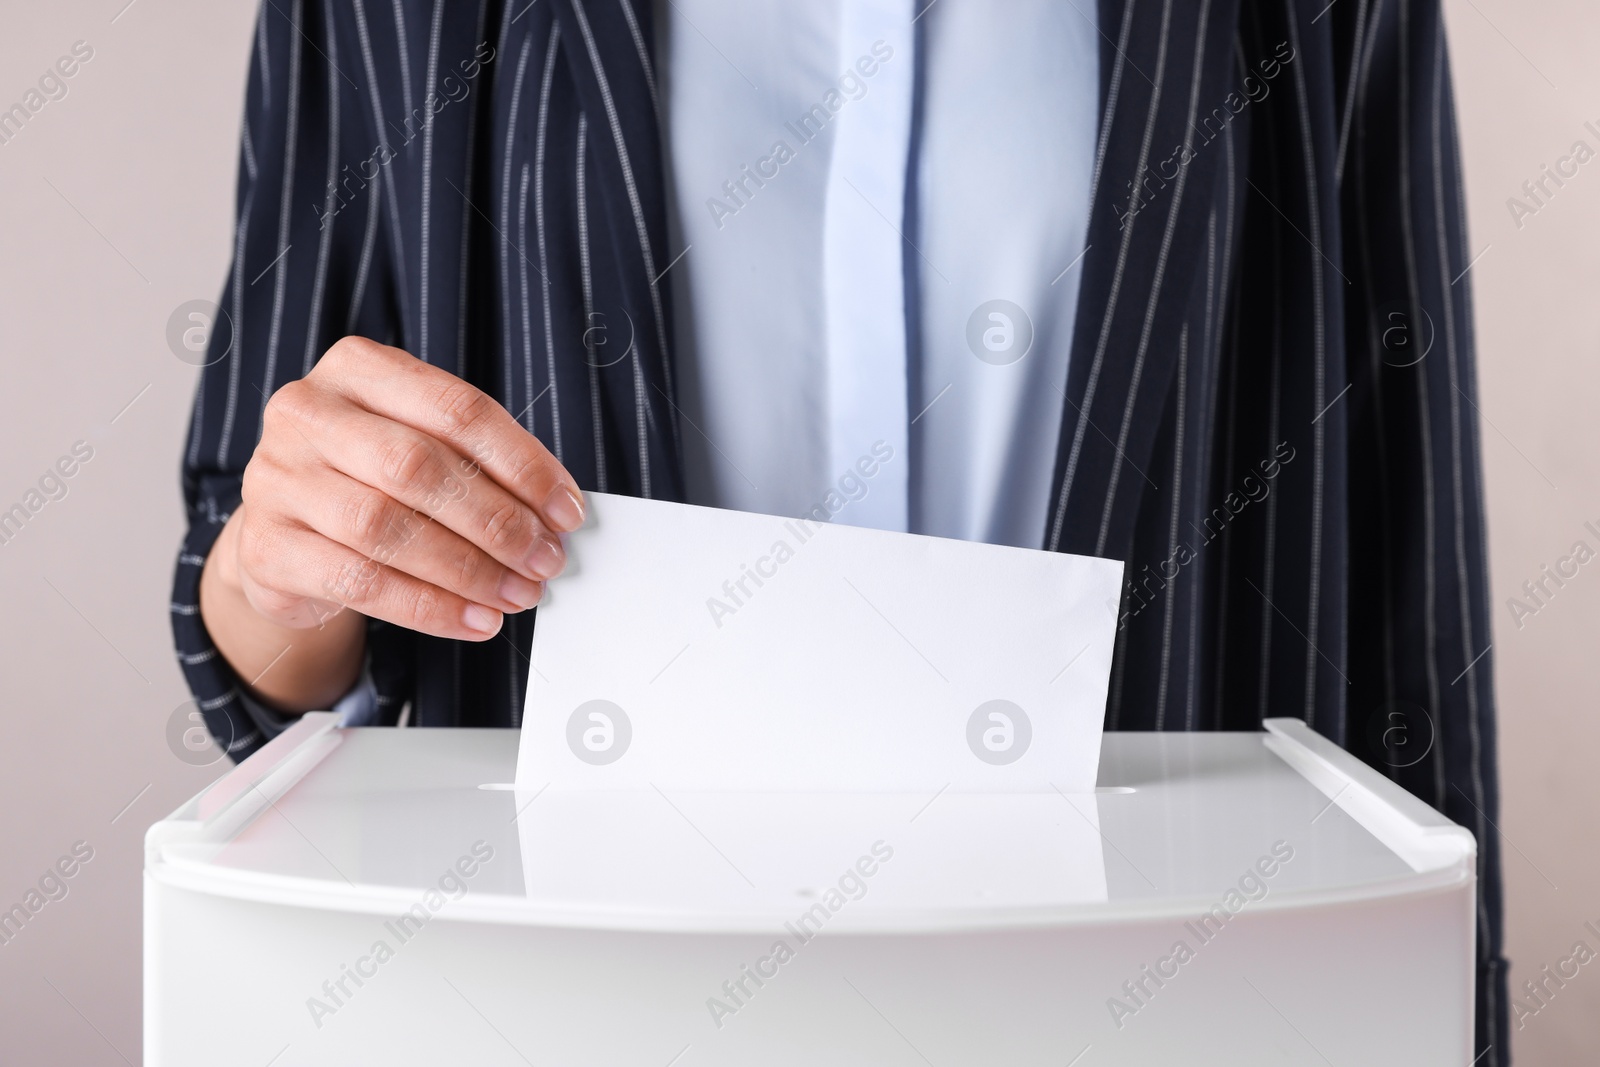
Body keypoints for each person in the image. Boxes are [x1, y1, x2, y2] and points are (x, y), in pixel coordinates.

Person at [170, 0, 1506, 1056]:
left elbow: (1404, 571)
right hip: (563, 1004)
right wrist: (292, 567)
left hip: (1156, 1001)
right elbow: (259, 607)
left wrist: (1463, 1020)